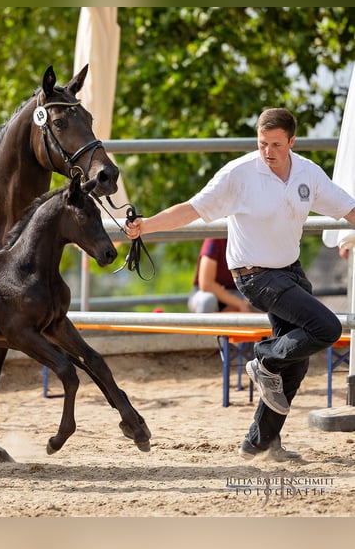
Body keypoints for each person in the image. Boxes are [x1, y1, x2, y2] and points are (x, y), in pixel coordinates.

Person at [126, 108, 355, 462]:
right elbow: (192, 209)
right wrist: (147, 225)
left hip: (290, 270)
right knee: (326, 327)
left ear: (292, 142)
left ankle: (260, 443)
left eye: (276, 144)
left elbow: (348, 209)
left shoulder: (308, 173)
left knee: (295, 363)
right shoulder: (239, 173)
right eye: (263, 143)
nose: (268, 151)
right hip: (254, 275)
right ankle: (263, 358)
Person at [189, 237, 252, 313]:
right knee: (207, 300)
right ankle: (203, 324)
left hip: (238, 292)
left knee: (257, 301)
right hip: (207, 293)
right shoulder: (216, 238)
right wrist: (239, 304)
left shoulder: (248, 238)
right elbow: (206, 284)